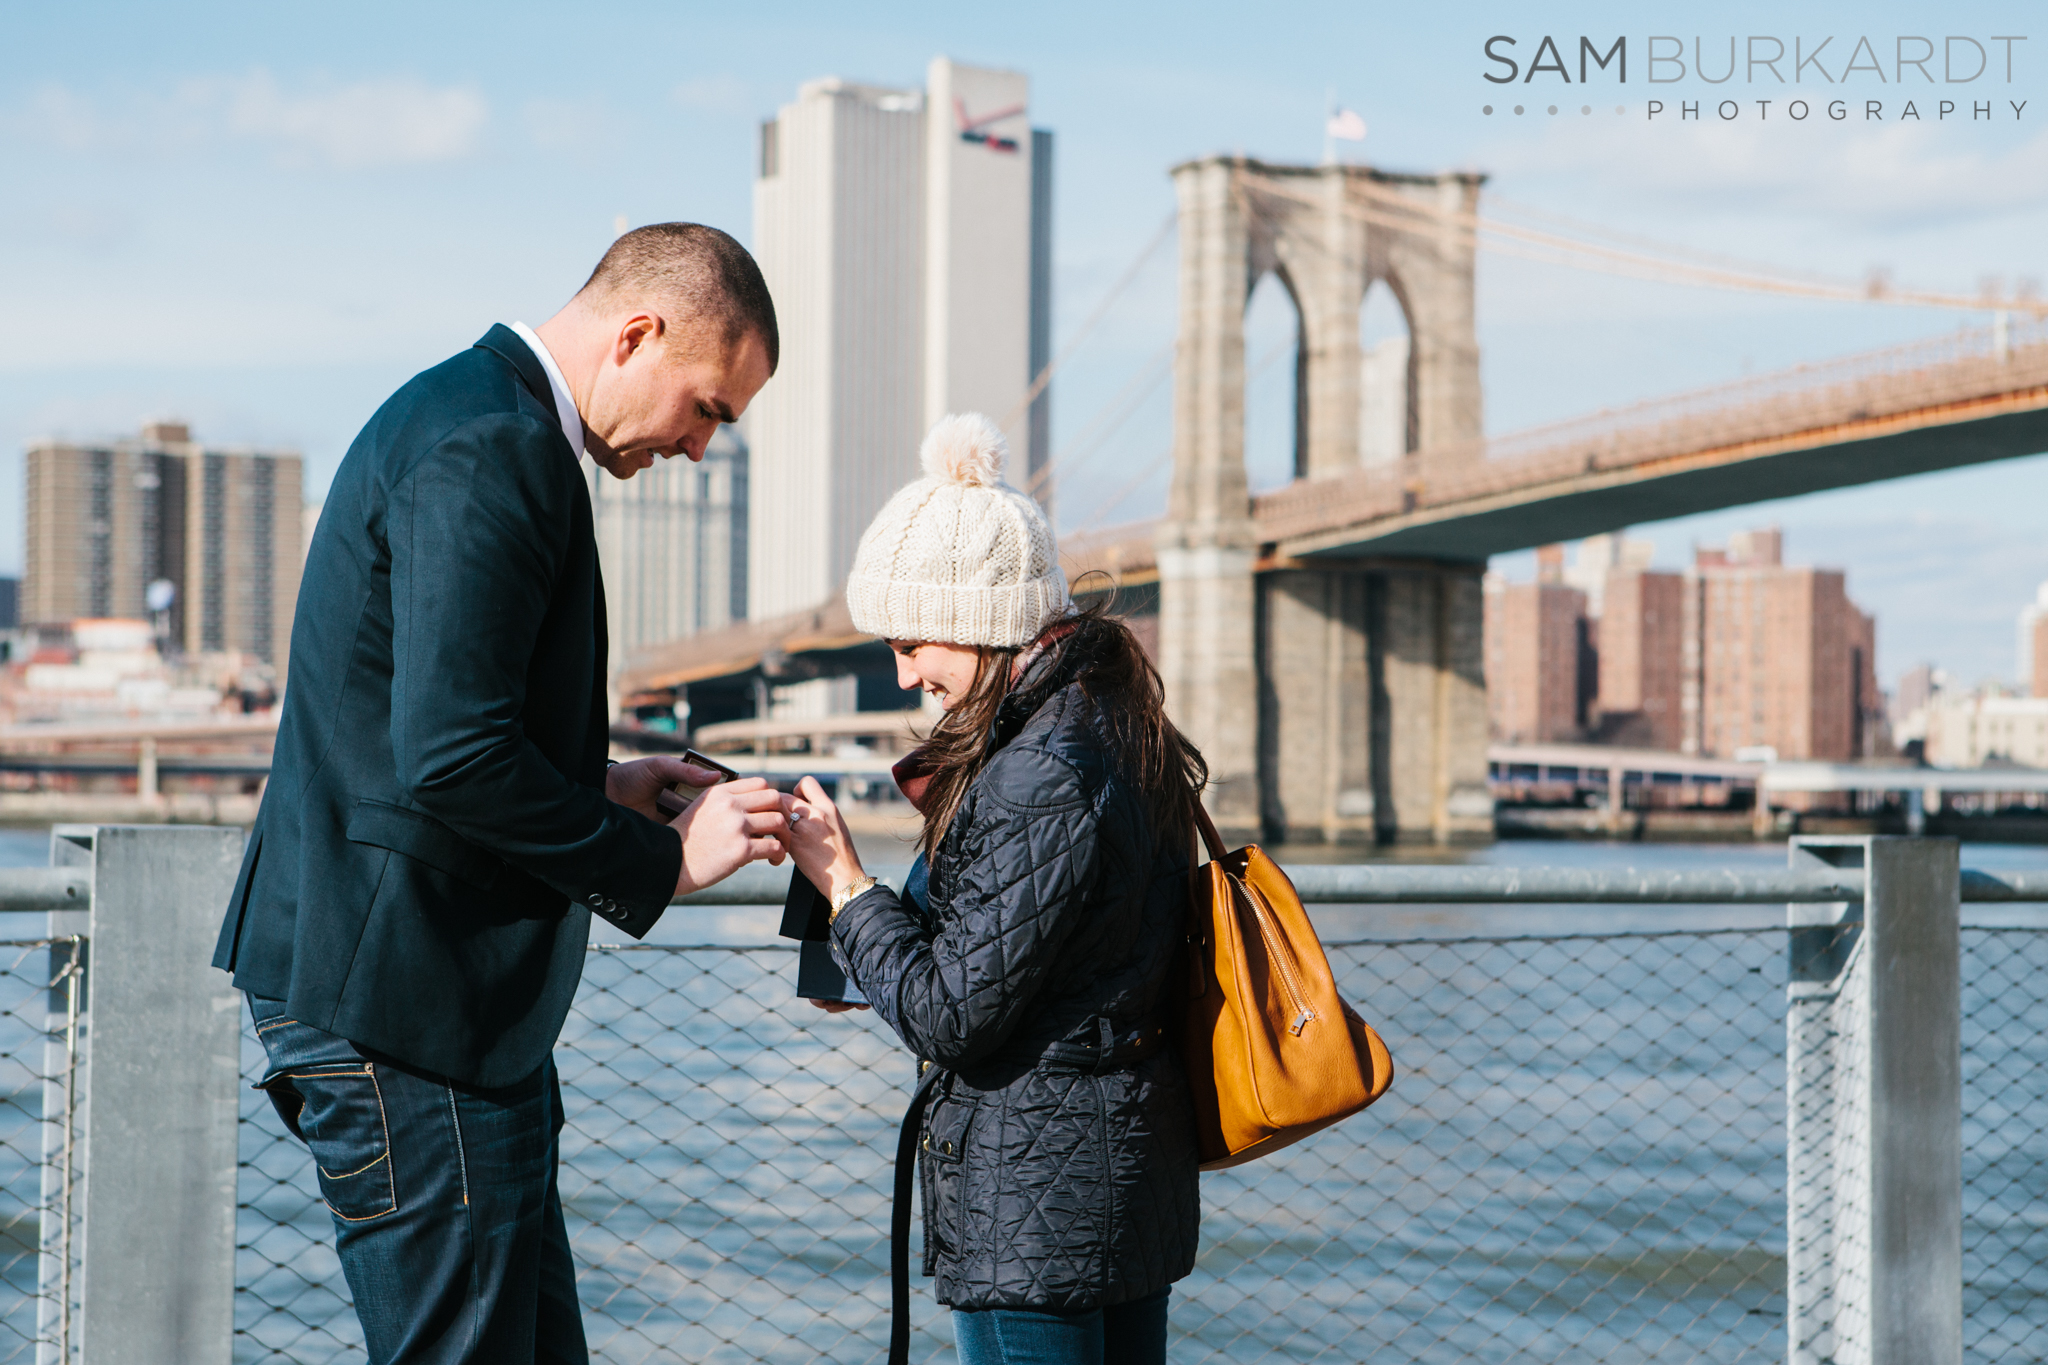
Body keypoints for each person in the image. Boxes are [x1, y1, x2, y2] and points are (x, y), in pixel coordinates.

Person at [211, 223, 796, 1364]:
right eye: (709, 409)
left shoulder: (470, 418)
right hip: (407, 1005)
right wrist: (669, 861)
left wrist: (605, 785)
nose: (699, 448)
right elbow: (454, 757)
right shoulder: (495, 445)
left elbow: (427, 734)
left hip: (418, 999)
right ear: (638, 334)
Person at [778, 412, 1207, 1365]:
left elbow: (949, 1014)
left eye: (910, 640)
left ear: (974, 622)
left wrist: (845, 886)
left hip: (1035, 1208)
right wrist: (860, 939)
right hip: (1117, 1181)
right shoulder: (1111, 724)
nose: (901, 674)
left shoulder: (1037, 768)